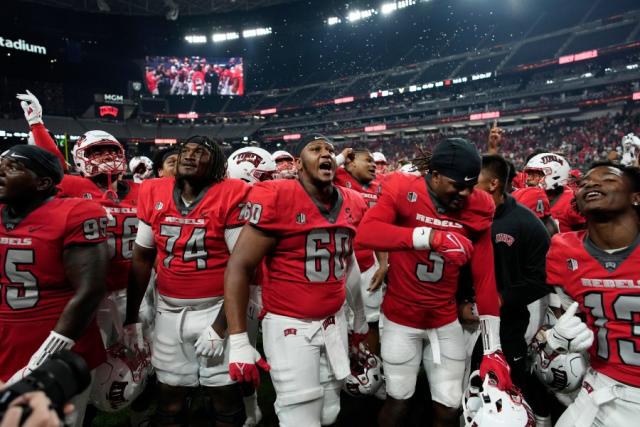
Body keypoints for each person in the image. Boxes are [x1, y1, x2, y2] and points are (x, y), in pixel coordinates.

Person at [357, 138, 512, 427]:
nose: (465, 193)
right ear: (435, 174)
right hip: (401, 319)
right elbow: (366, 234)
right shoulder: (403, 188)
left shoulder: (478, 206)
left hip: (444, 319)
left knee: (450, 406)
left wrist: (493, 348)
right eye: (457, 185)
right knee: (398, 401)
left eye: (471, 184)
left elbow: (485, 279)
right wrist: (430, 237)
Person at [224, 134, 369, 427]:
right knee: (300, 416)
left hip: (334, 320)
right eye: (316, 150)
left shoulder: (354, 201)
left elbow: (348, 263)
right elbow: (239, 266)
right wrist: (239, 340)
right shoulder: (276, 195)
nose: (326, 154)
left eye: (329, 149)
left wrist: (359, 318)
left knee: (330, 412)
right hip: (289, 322)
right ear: (300, 164)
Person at [125, 136, 250, 427]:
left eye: (200, 152)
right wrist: (131, 318)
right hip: (168, 311)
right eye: (185, 151)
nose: (189, 156)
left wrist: (221, 327)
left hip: (216, 307)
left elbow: (242, 266)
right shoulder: (153, 191)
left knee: (225, 397)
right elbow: (142, 258)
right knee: (168, 397)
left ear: (217, 166)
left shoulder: (231, 193)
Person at [0, 145, 109, 426]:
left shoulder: (76, 212)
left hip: (57, 344)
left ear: (43, 182)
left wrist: (45, 357)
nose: (0, 171)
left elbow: (90, 290)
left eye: (12, 167)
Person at [544, 161, 640, 427]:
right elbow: (553, 336)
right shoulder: (563, 251)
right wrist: (555, 343)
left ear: (636, 197)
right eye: (584, 182)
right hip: (601, 387)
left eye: (608, 178)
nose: (591, 183)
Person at [469, 154, 550, 403]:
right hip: (461, 318)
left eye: (473, 179)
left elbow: (542, 278)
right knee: (468, 390)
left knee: (508, 391)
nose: (466, 185)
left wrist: (503, 298)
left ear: (493, 183)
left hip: (508, 323)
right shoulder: (461, 214)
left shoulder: (527, 224)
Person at [334, 147, 387, 354]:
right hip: (342, 263)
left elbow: (381, 229)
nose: (373, 165)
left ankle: (372, 364)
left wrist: (383, 264)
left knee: (372, 319)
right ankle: (349, 368)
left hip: (368, 262)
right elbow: (313, 170)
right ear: (351, 163)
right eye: (368, 160)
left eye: (375, 162)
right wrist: (340, 157)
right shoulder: (337, 177)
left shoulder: (380, 187)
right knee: (343, 320)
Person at [524, 153, 585, 233]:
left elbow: (584, 237)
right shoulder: (527, 196)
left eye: (535, 175)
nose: (528, 179)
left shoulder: (572, 200)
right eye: (529, 174)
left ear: (555, 174)